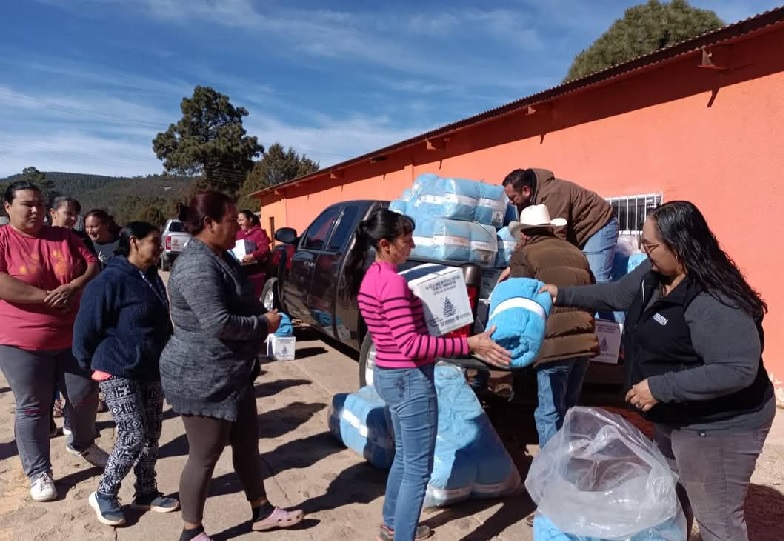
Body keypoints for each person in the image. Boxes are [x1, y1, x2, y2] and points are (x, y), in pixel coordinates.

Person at [541, 201, 775, 541]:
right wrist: (561, 293)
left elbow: (738, 369)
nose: (643, 251)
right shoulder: (653, 274)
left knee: (718, 520)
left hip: (719, 426)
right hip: (676, 415)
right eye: (643, 243)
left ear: (680, 247)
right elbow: (616, 294)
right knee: (672, 500)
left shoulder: (714, 299)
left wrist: (661, 388)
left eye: (650, 245)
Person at [344, 208, 511, 541]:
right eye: (406, 240)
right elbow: (410, 344)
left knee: (406, 458)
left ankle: (392, 524)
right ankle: (401, 533)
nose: (412, 245)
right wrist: (469, 344)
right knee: (418, 467)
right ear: (385, 244)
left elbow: (394, 337)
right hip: (409, 379)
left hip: (390, 375)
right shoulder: (391, 283)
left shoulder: (372, 278)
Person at [160, 191, 303, 541]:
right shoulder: (196, 264)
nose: (237, 228)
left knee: (247, 442)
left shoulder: (220, 254)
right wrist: (263, 325)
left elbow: (241, 299)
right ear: (209, 224)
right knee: (205, 454)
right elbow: (218, 322)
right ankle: (191, 531)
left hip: (233, 372)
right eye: (230, 220)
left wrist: (265, 315)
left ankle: (262, 510)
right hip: (202, 376)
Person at [0, 181, 108, 503]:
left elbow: (92, 263)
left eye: (40, 204)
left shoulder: (64, 236)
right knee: (33, 404)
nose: (36, 210)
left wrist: (74, 286)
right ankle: (39, 471)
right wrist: (45, 297)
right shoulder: (3, 239)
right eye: (27, 204)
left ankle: (82, 443)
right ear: (8, 208)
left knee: (84, 394)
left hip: (71, 334)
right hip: (21, 339)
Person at [73, 221, 179, 526]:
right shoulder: (109, 281)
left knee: (152, 434)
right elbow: (85, 329)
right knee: (132, 432)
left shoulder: (150, 276)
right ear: (133, 242)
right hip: (117, 367)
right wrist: (88, 366)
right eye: (154, 242)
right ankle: (105, 493)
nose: (159, 247)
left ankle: (146, 490)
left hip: (150, 367)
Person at [506, 204, 599, 527]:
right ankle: (571, 485)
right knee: (569, 413)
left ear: (526, 233)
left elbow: (518, 301)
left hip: (553, 345)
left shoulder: (525, 255)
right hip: (583, 344)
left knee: (549, 416)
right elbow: (592, 288)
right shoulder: (576, 252)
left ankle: (550, 500)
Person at [502, 168, 618, 289]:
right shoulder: (526, 203)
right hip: (576, 231)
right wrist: (514, 265)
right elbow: (526, 235)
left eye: (512, 197)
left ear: (525, 190)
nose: (511, 203)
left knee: (595, 281)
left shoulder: (553, 194)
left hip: (597, 224)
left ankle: (603, 306)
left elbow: (555, 238)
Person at [49, 195, 96, 427]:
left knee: (73, 369)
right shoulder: (40, 238)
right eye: (68, 212)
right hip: (45, 314)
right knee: (46, 374)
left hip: (75, 310)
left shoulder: (80, 239)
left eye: (75, 213)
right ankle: (50, 413)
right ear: (53, 213)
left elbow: (93, 268)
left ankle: (73, 422)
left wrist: (76, 287)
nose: (72, 217)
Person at [236, 210, 271, 299]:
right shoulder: (238, 234)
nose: (239, 223)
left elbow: (265, 249)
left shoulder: (259, 233)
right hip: (240, 272)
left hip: (255, 271)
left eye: (241, 220)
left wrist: (253, 256)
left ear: (250, 219)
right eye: (238, 220)